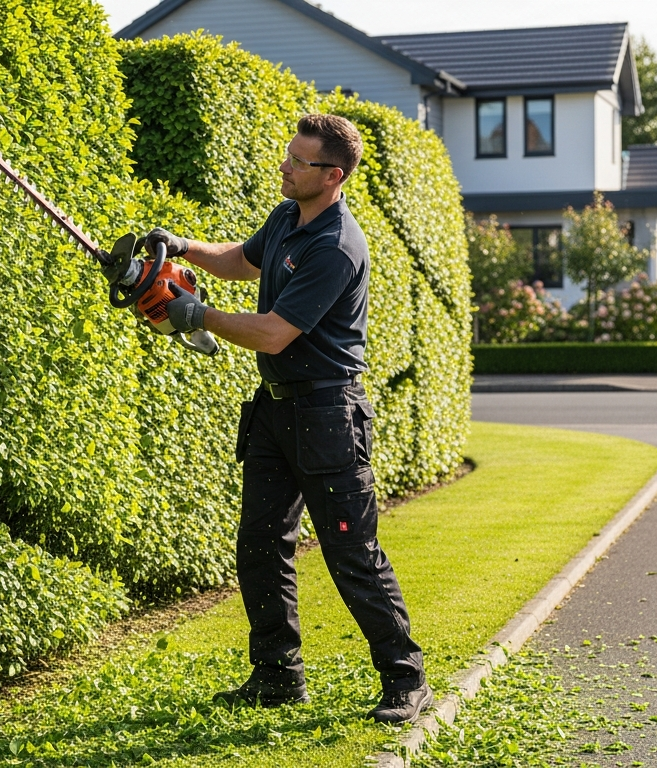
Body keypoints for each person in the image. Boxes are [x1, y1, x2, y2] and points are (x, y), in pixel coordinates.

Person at [147, 113, 431, 723]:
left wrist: (196, 315)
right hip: (275, 413)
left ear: (332, 175)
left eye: (299, 162)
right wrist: (183, 248)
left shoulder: (335, 245)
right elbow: (241, 261)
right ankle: (278, 675)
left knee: (352, 552)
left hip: (329, 413)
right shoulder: (285, 218)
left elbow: (275, 335)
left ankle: (406, 681)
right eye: (287, 155)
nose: (285, 166)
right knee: (260, 544)